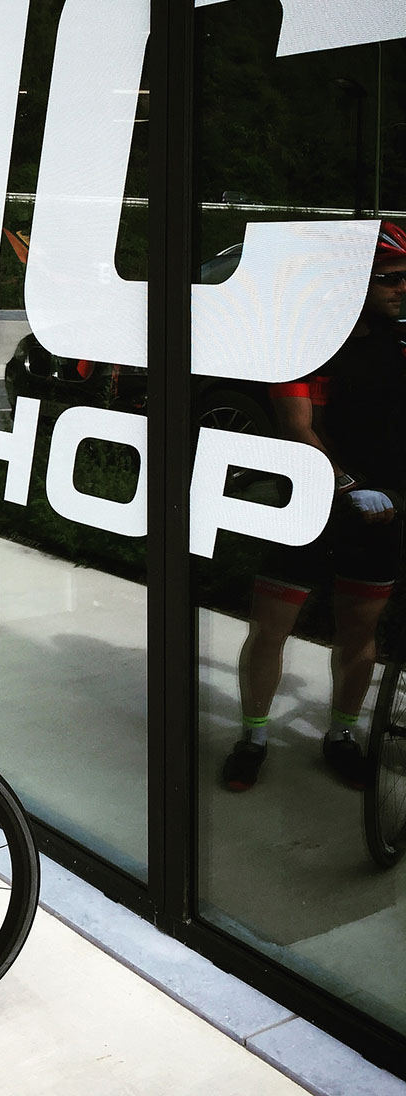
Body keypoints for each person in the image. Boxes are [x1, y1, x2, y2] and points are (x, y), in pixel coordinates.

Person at [223, 221, 406, 792]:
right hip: (307, 504)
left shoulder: (399, 345)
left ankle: (341, 735)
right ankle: (252, 736)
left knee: (359, 632)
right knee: (270, 628)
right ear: (353, 282)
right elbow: (296, 429)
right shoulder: (302, 342)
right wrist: (350, 488)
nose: (403, 288)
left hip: (382, 514)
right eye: (390, 279)